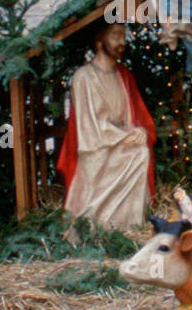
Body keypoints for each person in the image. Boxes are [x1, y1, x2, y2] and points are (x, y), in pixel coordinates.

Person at [57, 18, 155, 232]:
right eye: (116, 36)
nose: (122, 42)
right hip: (96, 149)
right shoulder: (83, 77)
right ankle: (99, 226)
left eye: (123, 36)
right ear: (100, 41)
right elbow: (89, 126)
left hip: (120, 144)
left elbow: (134, 117)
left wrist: (138, 131)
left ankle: (131, 226)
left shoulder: (124, 76)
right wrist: (123, 137)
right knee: (137, 155)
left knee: (140, 152)